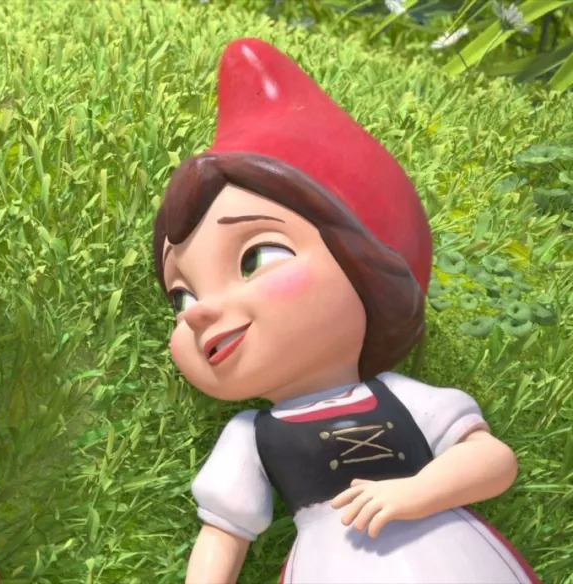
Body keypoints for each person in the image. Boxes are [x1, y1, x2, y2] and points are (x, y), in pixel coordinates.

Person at [152, 37, 541, 584]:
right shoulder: (251, 435)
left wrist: (417, 492)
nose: (197, 314)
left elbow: (492, 460)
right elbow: (221, 537)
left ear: (365, 262)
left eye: (257, 257)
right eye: (182, 297)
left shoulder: (398, 396)